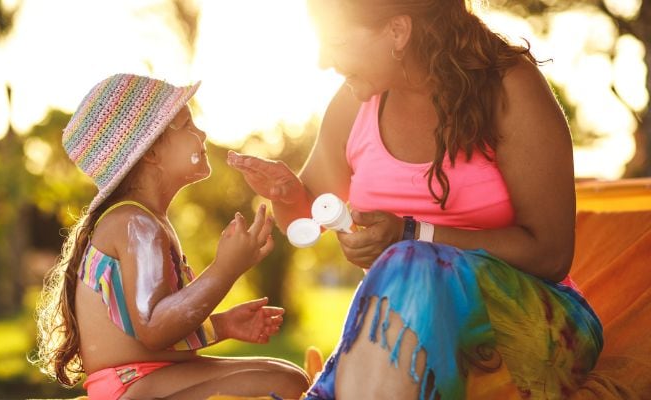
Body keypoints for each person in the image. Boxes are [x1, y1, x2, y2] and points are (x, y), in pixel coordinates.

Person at [227, 0, 603, 398]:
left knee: (408, 258)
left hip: (540, 324)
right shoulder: (355, 102)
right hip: (411, 329)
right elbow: (307, 217)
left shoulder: (509, 88)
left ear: (398, 32)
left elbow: (551, 252)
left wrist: (412, 233)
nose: (322, 61)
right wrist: (288, 195)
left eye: (335, 41)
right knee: (406, 262)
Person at [34, 73, 310, 400]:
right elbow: (154, 328)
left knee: (290, 375)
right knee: (286, 384)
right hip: (132, 387)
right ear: (150, 152)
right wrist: (226, 269)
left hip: (146, 379)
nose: (202, 133)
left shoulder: (144, 220)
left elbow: (155, 331)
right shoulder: (135, 224)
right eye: (188, 125)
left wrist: (222, 326)